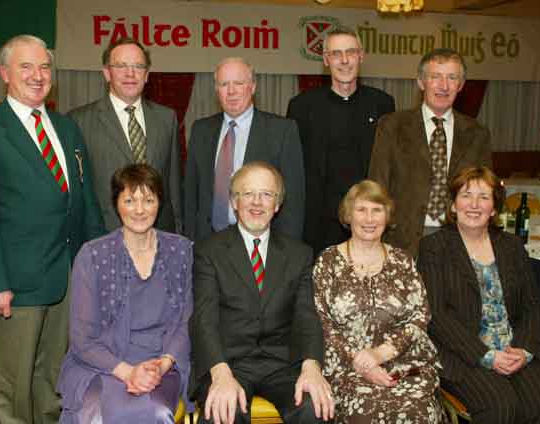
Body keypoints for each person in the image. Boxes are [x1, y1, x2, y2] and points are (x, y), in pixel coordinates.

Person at [0, 34, 105, 424]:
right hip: (16, 281)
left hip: (68, 274)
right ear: (4, 73)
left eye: (44, 67)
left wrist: (93, 266)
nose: (38, 76)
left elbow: (84, 201)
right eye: (26, 66)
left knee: (54, 376)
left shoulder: (66, 128)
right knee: (12, 384)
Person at [191, 161, 334, 424]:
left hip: (281, 363)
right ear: (234, 202)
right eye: (248, 194)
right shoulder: (208, 251)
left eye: (266, 194)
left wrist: (312, 366)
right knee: (223, 413)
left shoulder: (299, 254)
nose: (257, 203)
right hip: (228, 361)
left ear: (277, 205)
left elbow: (306, 316)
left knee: (316, 408)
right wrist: (220, 373)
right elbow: (204, 319)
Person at [417, 166, 540, 423]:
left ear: (493, 209)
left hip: (515, 348)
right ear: (454, 205)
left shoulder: (512, 246)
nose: (474, 204)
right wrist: (487, 355)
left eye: (484, 197)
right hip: (464, 354)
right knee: (501, 407)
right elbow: (436, 313)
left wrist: (524, 350)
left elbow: (533, 305)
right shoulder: (434, 248)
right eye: (466, 195)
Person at [57, 164, 192, 423]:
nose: (139, 210)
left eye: (148, 200)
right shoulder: (93, 255)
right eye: (129, 200)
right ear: (116, 204)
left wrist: (162, 365)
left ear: (159, 203)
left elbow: (186, 322)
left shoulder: (181, 251)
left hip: (161, 365)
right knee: (94, 415)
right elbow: (82, 339)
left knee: (155, 412)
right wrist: (128, 372)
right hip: (104, 364)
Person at [313, 180, 444, 423]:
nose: (369, 219)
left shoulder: (403, 261)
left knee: (420, 413)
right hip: (347, 368)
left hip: (404, 364)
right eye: (361, 210)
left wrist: (382, 353)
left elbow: (420, 316)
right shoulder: (328, 261)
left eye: (377, 210)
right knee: (366, 411)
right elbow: (323, 324)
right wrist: (363, 362)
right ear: (348, 215)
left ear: (387, 216)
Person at [369, 48, 491, 256]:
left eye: (452, 78)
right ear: (421, 82)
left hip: (457, 240)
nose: (444, 86)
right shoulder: (392, 126)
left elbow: (485, 192)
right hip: (400, 241)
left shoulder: (477, 134)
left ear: (460, 85)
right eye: (435, 77)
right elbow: (377, 186)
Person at [287, 27, 395, 255]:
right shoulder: (301, 107)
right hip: (317, 228)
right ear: (326, 59)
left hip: (368, 222)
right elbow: (293, 172)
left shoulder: (383, 104)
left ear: (361, 56)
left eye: (351, 52)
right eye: (336, 54)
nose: (344, 61)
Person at [184, 57, 305, 241]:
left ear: (253, 87)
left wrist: (285, 251)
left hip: (261, 243)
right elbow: (191, 194)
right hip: (206, 245)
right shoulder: (201, 130)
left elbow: (293, 201)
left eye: (238, 83)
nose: (231, 91)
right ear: (217, 89)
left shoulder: (282, 131)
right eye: (224, 84)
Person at [70, 37, 182, 234]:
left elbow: (173, 185)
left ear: (147, 75)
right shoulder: (78, 121)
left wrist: (178, 232)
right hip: (103, 237)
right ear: (107, 73)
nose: (130, 73)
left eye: (138, 66)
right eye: (121, 66)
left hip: (159, 237)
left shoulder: (167, 118)